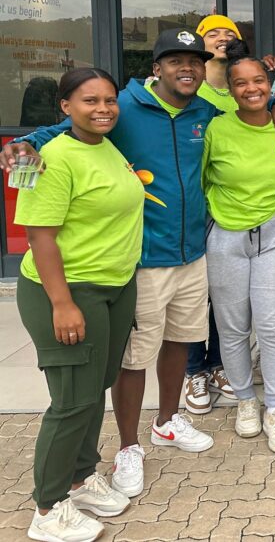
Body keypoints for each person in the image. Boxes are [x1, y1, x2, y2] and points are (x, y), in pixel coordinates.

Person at [3, 30, 230, 501]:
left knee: (180, 341)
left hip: (191, 253)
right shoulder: (123, 107)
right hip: (141, 259)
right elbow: (62, 132)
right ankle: (128, 446)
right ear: (157, 68)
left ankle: (167, 421)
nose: (187, 68)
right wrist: (23, 143)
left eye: (195, 60)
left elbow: (244, 113)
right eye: (176, 61)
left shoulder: (203, 111)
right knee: (133, 358)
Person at [16, 68, 143, 542]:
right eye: (90, 101)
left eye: (110, 100)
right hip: (69, 290)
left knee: (96, 387)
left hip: (113, 286)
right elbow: (38, 236)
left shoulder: (106, 147)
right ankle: (48, 509)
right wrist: (62, 303)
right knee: (72, 401)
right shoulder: (52, 157)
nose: (103, 109)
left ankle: (80, 477)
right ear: (65, 106)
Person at [203, 42, 275, 454]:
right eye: (240, 83)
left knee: (274, 327)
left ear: (270, 84)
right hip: (226, 237)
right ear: (230, 89)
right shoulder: (216, 129)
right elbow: (200, 180)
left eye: (258, 80)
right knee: (233, 327)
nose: (251, 88)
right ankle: (245, 400)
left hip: (273, 235)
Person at [184, 15, 240, 415]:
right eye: (213, 33)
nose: (221, 38)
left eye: (228, 33)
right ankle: (193, 370)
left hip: (229, 211)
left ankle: (219, 364)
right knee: (193, 295)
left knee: (224, 295)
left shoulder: (240, 89)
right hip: (193, 210)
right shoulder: (190, 91)